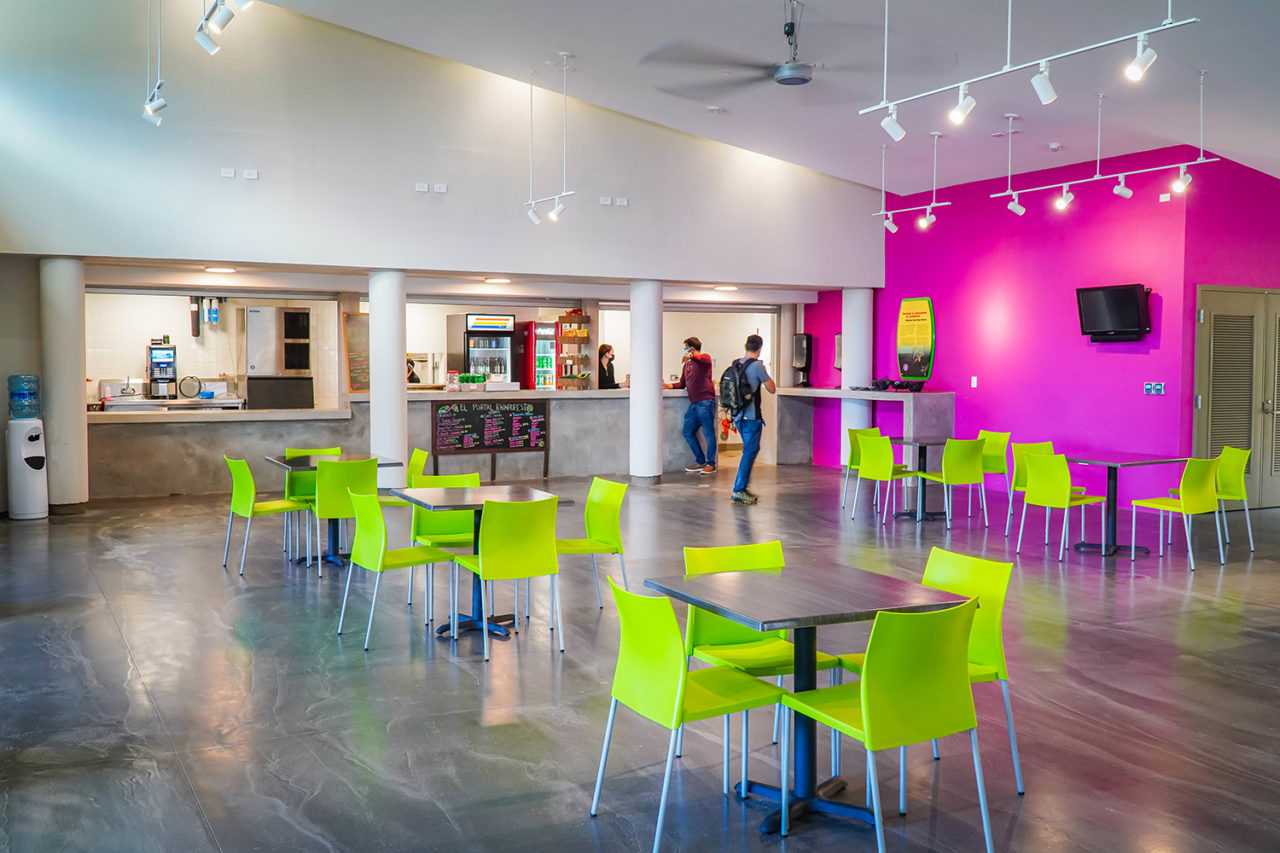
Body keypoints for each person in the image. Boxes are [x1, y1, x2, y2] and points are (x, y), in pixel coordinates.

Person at [730, 334, 776, 504]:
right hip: (751, 417)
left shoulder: (736, 363)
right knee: (749, 452)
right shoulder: (757, 366)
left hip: (737, 415)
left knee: (749, 450)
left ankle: (741, 488)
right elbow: (772, 388)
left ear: (746, 346)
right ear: (760, 348)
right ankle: (738, 490)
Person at [663, 336, 717, 474]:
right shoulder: (687, 366)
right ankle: (701, 461)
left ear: (691, 348)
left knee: (708, 433)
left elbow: (700, 359)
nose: (684, 350)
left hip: (706, 402)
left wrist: (691, 356)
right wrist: (666, 385)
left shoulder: (705, 358)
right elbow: (681, 384)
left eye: (685, 348)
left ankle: (711, 464)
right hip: (694, 404)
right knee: (688, 432)